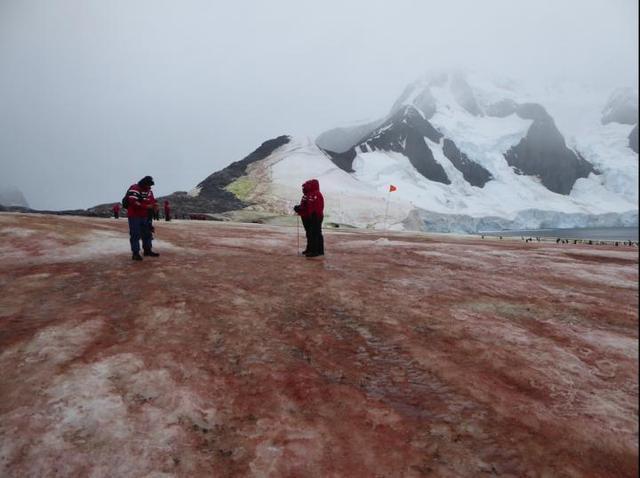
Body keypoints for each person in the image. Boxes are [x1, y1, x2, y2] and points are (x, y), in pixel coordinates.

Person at [126, 175, 159, 261]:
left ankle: (147, 250)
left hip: (145, 216)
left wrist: (155, 205)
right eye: (149, 184)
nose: (150, 186)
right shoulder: (135, 188)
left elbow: (152, 200)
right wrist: (146, 206)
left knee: (147, 233)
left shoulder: (149, 191)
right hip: (134, 216)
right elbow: (133, 202)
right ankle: (135, 253)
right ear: (144, 183)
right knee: (135, 234)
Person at [293, 179, 324, 257]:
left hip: (314, 217)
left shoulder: (316, 194)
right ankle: (312, 249)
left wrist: (313, 215)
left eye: (306, 186)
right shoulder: (307, 195)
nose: (303, 188)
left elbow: (317, 207)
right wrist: (299, 208)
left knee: (314, 233)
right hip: (307, 217)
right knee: (310, 233)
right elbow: (305, 206)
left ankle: (315, 251)